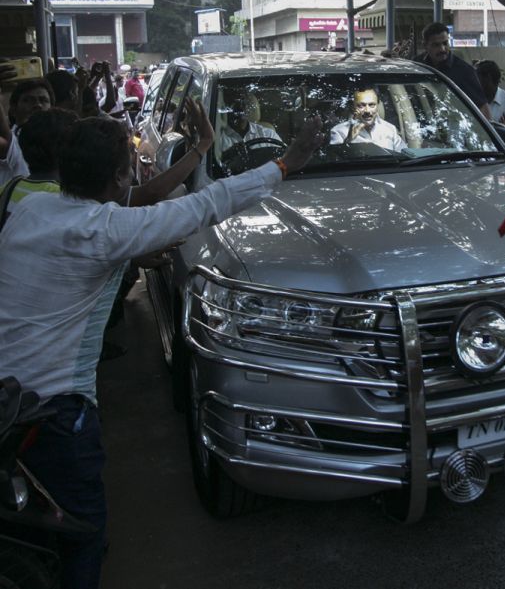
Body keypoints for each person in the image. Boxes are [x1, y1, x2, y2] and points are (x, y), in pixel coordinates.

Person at [0, 106, 325, 589]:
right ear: (117, 176)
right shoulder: (105, 230)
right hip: (52, 414)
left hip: (9, 398)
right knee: (83, 535)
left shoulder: (31, 208)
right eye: (130, 164)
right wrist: (283, 165)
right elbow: (201, 206)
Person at [415, 22, 492, 120]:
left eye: (445, 43)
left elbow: (482, 107)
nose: (442, 49)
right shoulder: (417, 66)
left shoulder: (464, 71)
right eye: (436, 45)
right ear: (425, 45)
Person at [329, 88, 406, 152]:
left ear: (378, 106)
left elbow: (405, 155)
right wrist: (349, 140)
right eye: (361, 105)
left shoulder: (390, 129)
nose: (367, 111)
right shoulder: (338, 131)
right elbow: (336, 163)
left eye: (372, 105)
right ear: (353, 107)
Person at [217, 94, 283, 154]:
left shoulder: (268, 135)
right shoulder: (219, 137)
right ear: (225, 108)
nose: (241, 107)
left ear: (249, 108)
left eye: (244, 103)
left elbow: (283, 164)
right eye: (235, 103)